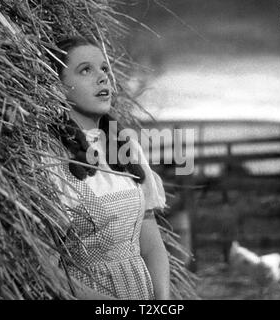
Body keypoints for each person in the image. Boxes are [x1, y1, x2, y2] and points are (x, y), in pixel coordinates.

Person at [43, 36, 170, 300]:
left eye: (104, 68)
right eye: (85, 70)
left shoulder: (125, 146)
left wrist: (162, 301)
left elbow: (150, 243)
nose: (102, 78)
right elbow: (46, 268)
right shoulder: (49, 157)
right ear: (59, 88)